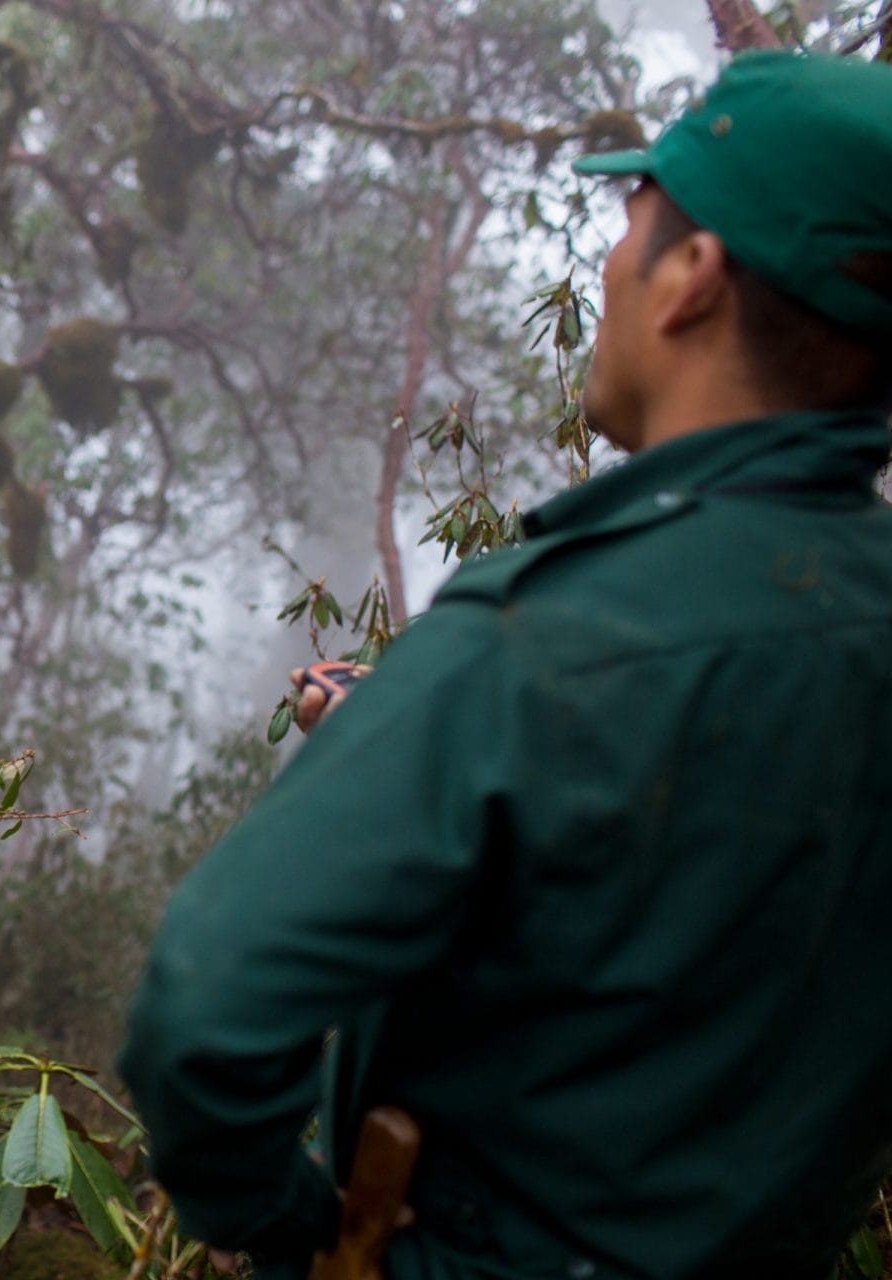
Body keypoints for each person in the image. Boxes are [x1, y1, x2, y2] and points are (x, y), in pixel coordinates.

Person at [119, 50, 892, 1280]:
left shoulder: (541, 643)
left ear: (692, 277)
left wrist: (296, 1227)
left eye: (631, 226)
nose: (609, 265)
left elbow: (204, 1008)